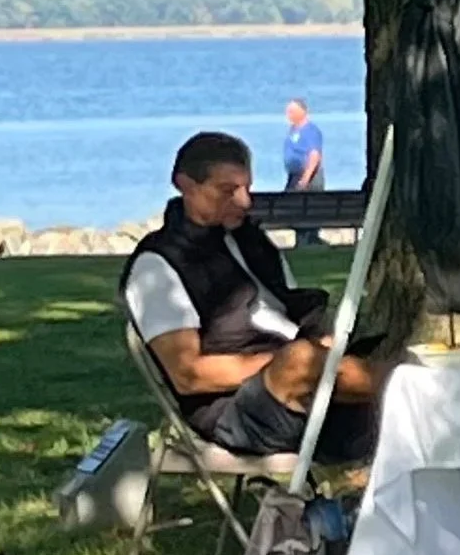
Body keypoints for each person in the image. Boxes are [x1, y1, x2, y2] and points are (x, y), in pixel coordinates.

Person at [122, 132, 379, 463]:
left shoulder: (251, 242)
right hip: (234, 411)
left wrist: (322, 344)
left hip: (299, 385)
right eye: (228, 191)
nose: (245, 202)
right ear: (186, 185)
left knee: (368, 342)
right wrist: (293, 359)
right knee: (301, 361)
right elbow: (189, 376)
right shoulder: (156, 268)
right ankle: (418, 389)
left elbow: (290, 314)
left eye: (247, 188)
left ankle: (410, 397)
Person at [283, 99, 324, 191]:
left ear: (302, 112)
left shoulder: (310, 130)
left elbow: (314, 155)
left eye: (291, 111)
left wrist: (305, 179)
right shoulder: (293, 130)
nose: (287, 114)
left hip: (308, 178)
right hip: (294, 176)